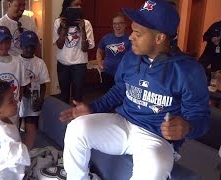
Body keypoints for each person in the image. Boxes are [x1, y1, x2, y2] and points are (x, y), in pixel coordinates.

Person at [59, 0, 210, 179]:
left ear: (160, 37)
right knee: (77, 128)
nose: (130, 37)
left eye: (137, 33)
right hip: (123, 123)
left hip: (155, 138)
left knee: (154, 168)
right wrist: (92, 108)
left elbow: (201, 118)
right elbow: (119, 91)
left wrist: (187, 127)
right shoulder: (131, 57)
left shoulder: (189, 70)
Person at [53, 0, 95, 104]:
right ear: (68, 7)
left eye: (80, 5)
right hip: (63, 64)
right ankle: (65, 119)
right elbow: (59, 45)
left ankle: (77, 119)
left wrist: (83, 30)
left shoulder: (86, 23)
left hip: (79, 65)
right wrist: (64, 28)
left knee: (78, 97)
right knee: (64, 96)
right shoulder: (58, 22)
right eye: (76, 5)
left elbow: (85, 48)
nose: (79, 7)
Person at [18, 31, 50, 149]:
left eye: (32, 46)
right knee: (16, 126)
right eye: (27, 46)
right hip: (19, 100)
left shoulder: (40, 63)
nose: (29, 49)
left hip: (34, 99)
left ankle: (30, 149)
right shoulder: (16, 61)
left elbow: (43, 83)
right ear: (21, 46)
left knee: (31, 127)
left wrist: (41, 99)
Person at [96, 12, 131, 92]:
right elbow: (99, 51)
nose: (117, 26)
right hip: (107, 73)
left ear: (125, 24)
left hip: (123, 75)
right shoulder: (106, 38)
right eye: (115, 23)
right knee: (107, 97)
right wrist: (100, 64)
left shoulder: (130, 39)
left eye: (120, 23)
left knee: (121, 98)